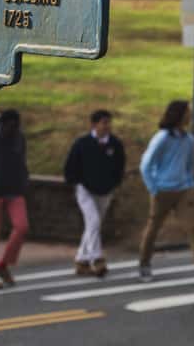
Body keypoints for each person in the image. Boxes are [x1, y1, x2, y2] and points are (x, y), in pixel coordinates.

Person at [138, 100, 194, 284]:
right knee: (153, 229)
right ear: (178, 114)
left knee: (193, 228)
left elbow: (189, 165)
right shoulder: (162, 138)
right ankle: (144, 264)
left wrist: (190, 184)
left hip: (183, 190)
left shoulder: (189, 140)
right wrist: (153, 187)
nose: (190, 115)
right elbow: (146, 163)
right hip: (162, 190)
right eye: (187, 112)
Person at [63, 109, 126, 277]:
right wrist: (75, 181)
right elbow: (71, 166)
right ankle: (97, 258)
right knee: (94, 221)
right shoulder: (82, 144)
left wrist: (115, 183)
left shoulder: (115, 144)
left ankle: (82, 259)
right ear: (94, 124)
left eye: (108, 123)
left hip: (106, 191)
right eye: (104, 123)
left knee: (93, 225)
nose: (107, 126)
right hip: (85, 190)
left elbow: (120, 166)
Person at [0, 109, 29, 290]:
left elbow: (22, 161)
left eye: (15, 125)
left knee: (22, 227)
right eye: (9, 125)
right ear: (2, 124)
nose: (12, 128)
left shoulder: (19, 138)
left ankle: (3, 265)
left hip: (15, 189)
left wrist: (24, 180)